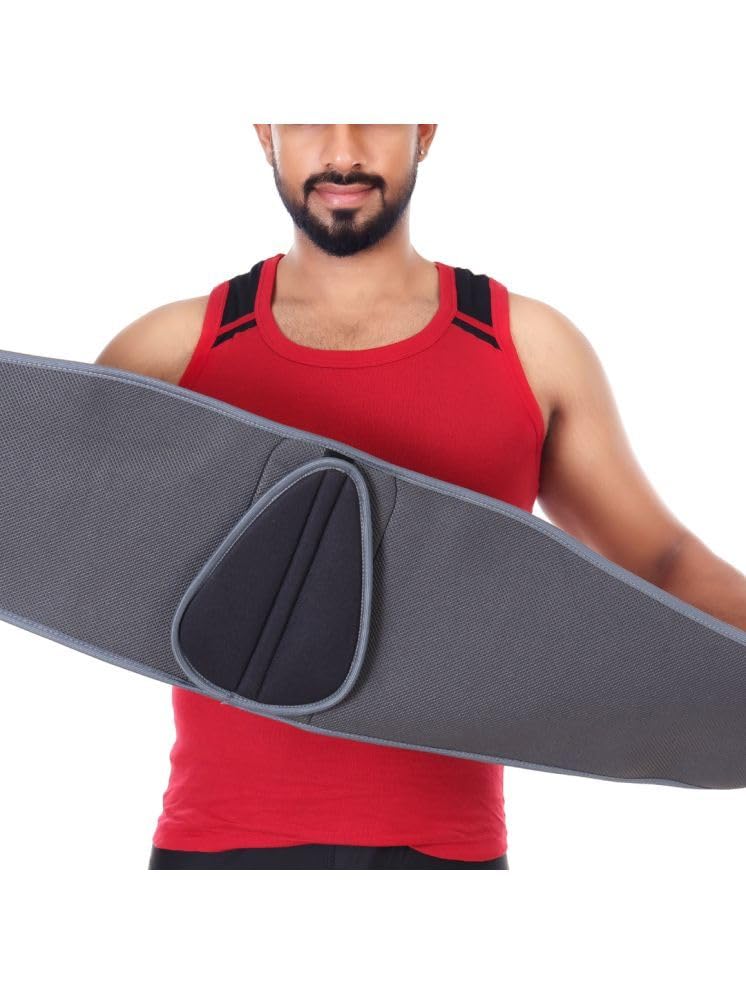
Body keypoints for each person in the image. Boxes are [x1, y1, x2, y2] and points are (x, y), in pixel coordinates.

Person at [95, 124, 746, 870]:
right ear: (266, 133)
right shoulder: (171, 352)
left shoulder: (525, 346)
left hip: (444, 856)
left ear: (425, 130)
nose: (343, 151)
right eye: (309, 117)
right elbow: (59, 536)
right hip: (214, 847)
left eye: (374, 115)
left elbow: (660, 560)